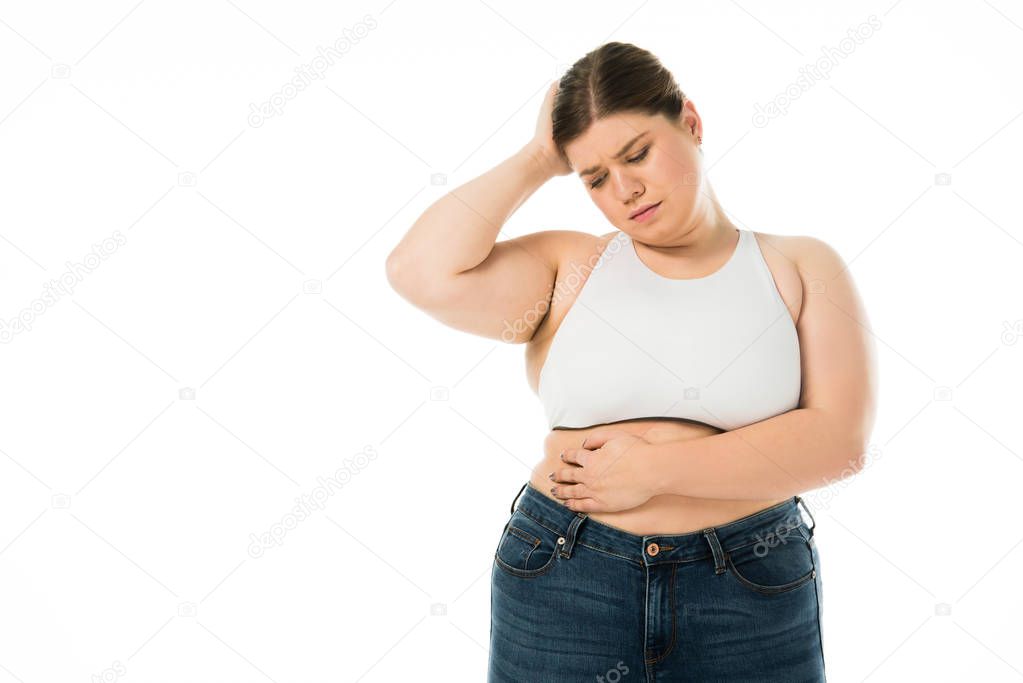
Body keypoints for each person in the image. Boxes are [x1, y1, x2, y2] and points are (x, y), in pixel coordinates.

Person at [386, 41, 877, 682]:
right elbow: (420, 272)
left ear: (692, 124)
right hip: (566, 576)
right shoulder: (573, 267)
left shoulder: (798, 266)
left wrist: (656, 470)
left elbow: (839, 443)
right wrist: (539, 158)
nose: (624, 189)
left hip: (750, 585)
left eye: (637, 153)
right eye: (594, 177)